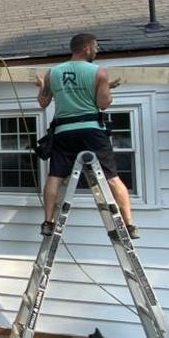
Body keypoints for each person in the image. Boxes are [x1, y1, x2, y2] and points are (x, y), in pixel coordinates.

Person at [35, 32, 139, 239]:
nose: (97, 50)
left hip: (64, 132)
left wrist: (42, 87)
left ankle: (48, 222)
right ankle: (129, 225)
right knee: (111, 177)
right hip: (91, 131)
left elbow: (43, 102)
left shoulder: (52, 73)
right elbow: (102, 104)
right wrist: (106, 89)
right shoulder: (99, 72)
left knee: (55, 177)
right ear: (86, 48)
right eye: (96, 46)